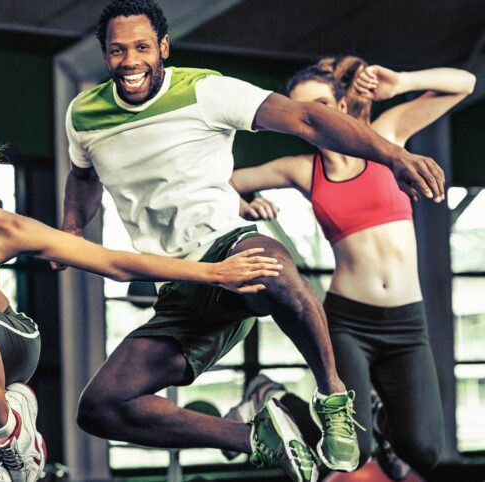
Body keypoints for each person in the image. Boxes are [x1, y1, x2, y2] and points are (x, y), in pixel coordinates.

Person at [61, 1, 447, 481]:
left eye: (142, 47)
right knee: (100, 407)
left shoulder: (206, 90)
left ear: (163, 47)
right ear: (105, 54)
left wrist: (392, 156)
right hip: (178, 285)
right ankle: (254, 437)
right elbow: (83, 176)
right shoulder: (83, 115)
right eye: (117, 50)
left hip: (230, 248)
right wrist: (72, 228)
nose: (130, 61)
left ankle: (332, 396)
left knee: (274, 270)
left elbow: (306, 120)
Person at [227, 57, 475, 480]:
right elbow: (225, 181)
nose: (316, 118)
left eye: (323, 105)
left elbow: (464, 83)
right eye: (306, 111)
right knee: (353, 453)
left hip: (406, 323)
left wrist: (402, 82)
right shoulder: (303, 170)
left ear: (342, 106)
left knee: (425, 451)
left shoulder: (386, 137)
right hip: (348, 322)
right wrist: (243, 205)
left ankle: (377, 419)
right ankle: (270, 395)